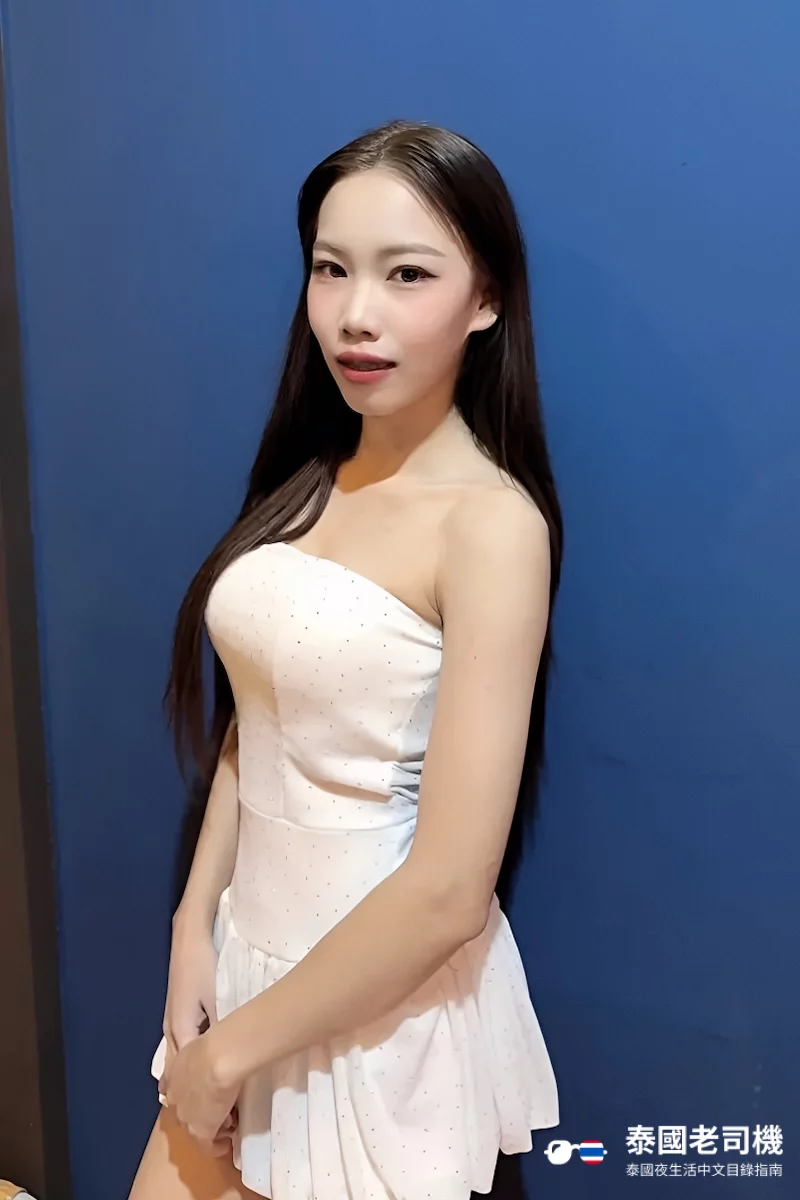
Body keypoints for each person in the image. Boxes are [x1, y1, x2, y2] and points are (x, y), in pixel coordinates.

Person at [129, 118, 563, 1200]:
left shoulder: (489, 527)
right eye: (331, 269)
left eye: (406, 274)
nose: (354, 314)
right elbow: (262, 716)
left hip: (376, 1009)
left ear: (485, 298)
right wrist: (193, 925)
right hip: (246, 965)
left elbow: (450, 891)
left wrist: (226, 1058)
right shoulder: (312, 477)